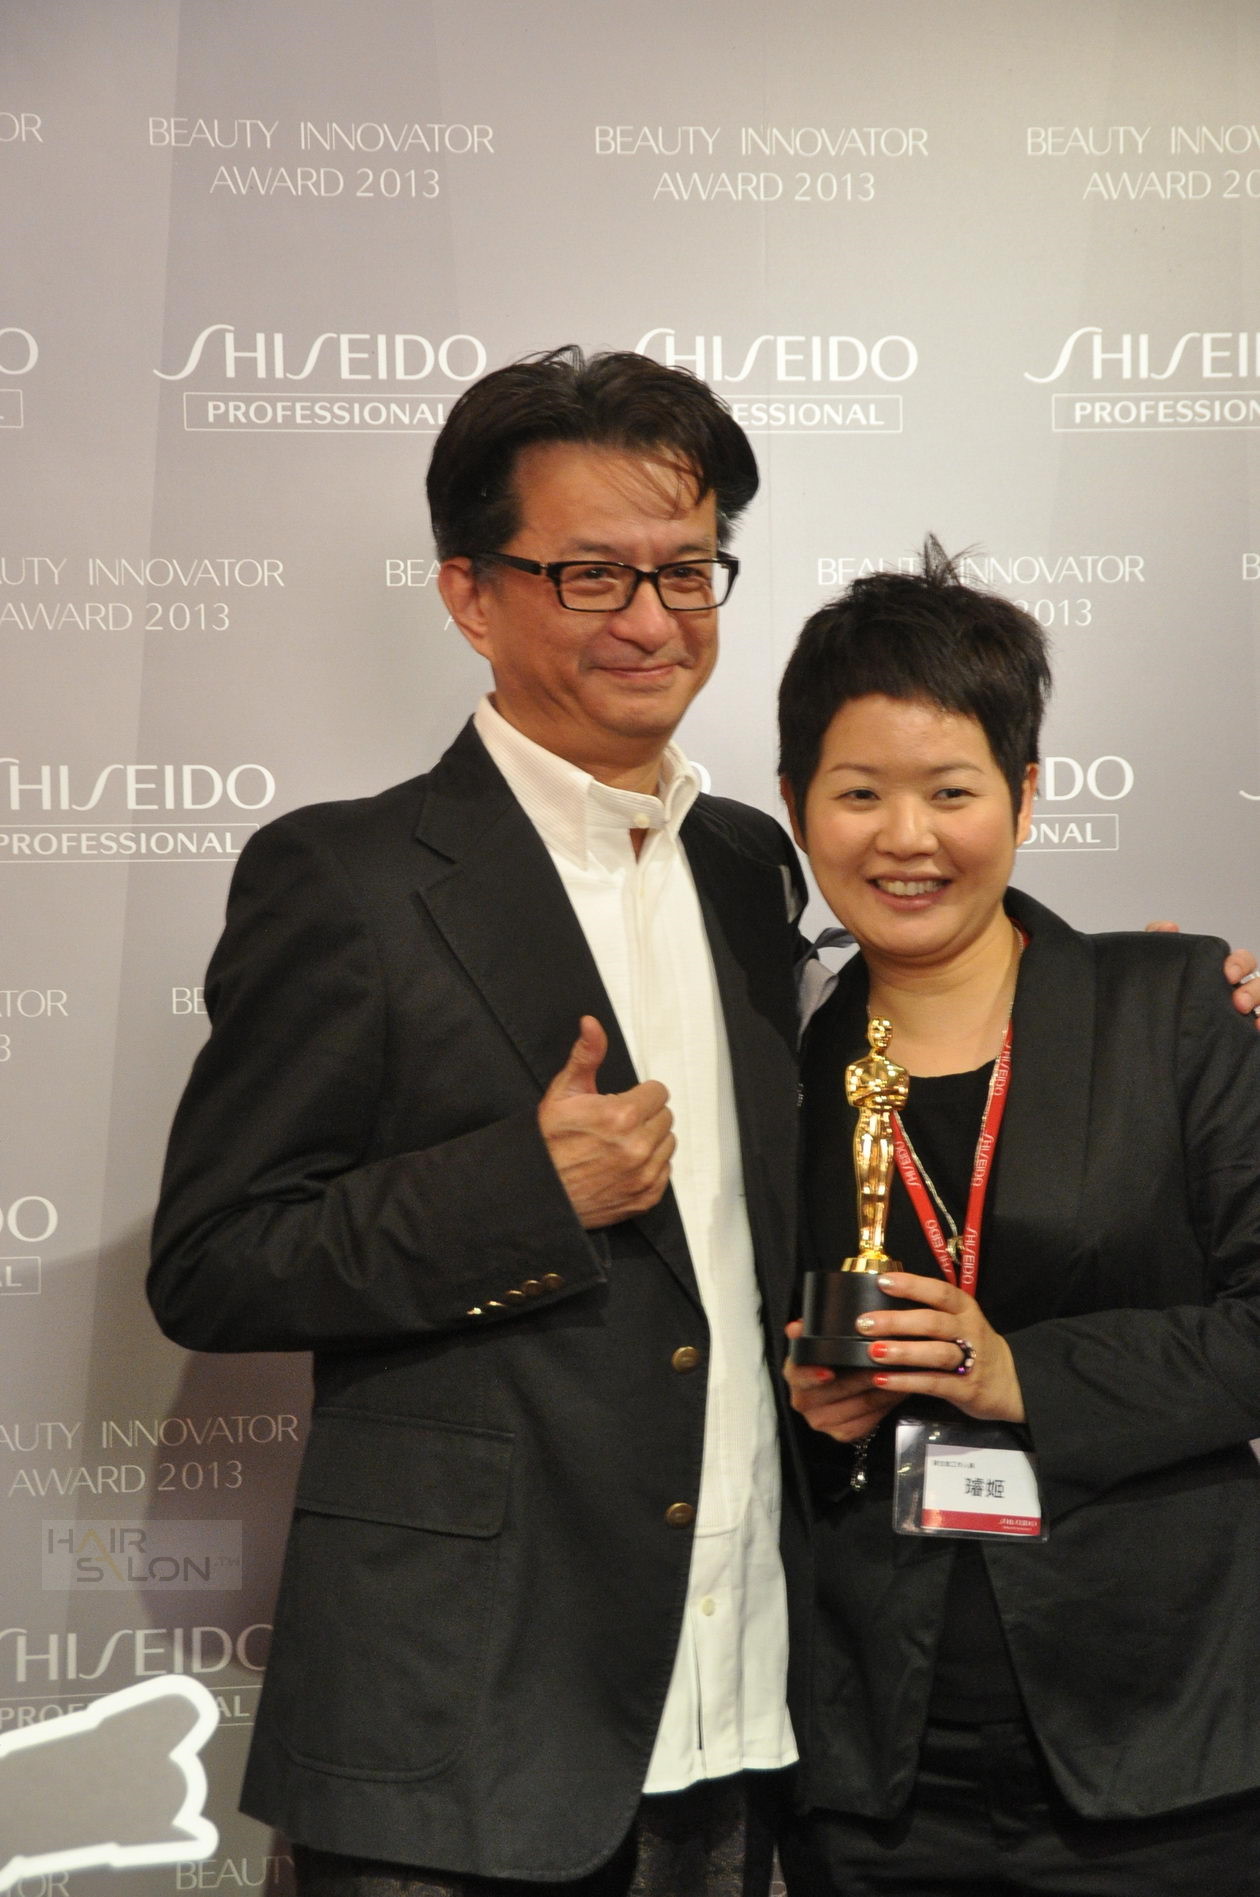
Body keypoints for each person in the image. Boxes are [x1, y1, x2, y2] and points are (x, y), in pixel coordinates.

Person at [147, 348, 809, 1897]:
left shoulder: (748, 864)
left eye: (687, 569)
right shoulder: (349, 879)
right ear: (469, 593)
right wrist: (525, 1189)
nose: (652, 618)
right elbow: (214, 1259)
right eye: (591, 574)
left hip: (739, 1705)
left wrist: (1154, 995)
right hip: (454, 1724)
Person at [777, 541, 1260, 1895]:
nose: (907, 837)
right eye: (859, 792)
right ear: (796, 806)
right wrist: (802, 1407)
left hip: (1166, 1734)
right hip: (868, 1751)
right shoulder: (773, 1060)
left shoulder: (1177, 1011)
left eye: (952, 790)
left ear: (1028, 794)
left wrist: (1018, 1371)